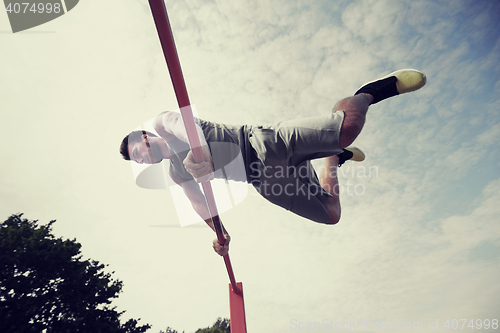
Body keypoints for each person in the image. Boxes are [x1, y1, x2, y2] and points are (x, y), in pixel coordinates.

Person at [120, 69, 426, 256]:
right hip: (266, 182)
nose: (142, 160)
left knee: (347, 129)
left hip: (263, 144)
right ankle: (331, 160)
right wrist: (219, 233)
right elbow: (201, 204)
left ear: (144, 137)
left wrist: (201, 152)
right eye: (138, 161)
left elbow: (187, 127)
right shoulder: (176, 173)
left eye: (137, 152)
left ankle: (368, 93)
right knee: (331, 214)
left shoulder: (162, 124)